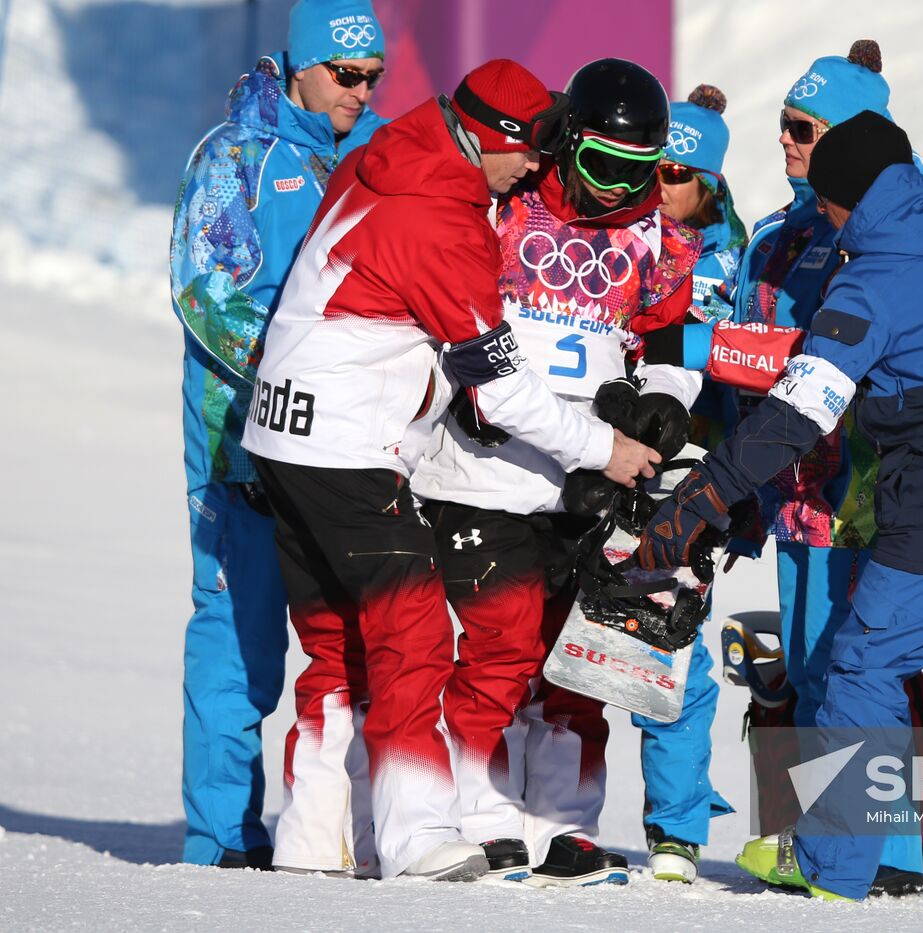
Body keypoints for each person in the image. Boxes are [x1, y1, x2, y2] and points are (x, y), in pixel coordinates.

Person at [636, 110, 923, 912]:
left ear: (847, 202)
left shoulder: (870, 282)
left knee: (861, 671)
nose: (827, 222)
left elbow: (795, 417)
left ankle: (831, 866)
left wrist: (701, 497)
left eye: (830, 207)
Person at [241, 58, 656, 882]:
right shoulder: (444, 223)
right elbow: (500, 390)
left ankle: (316, 840)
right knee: (413, 632)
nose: (538, 168)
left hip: (279, 431)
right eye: (530, 150)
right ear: (488, 138)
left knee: (337, 645)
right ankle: (417, 836)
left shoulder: (388, 151)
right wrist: (605, 449)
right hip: (347, 445)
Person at [409, 58, 702, 887]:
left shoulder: (654, 237)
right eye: (603, 167)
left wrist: (662, 402)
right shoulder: (503, 205)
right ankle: (477, 810)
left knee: (577, 659)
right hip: (486, 473)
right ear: (567, 145)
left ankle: (565, 817)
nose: (617, 190)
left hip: (592, 482)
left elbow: (672, 340)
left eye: (637, 173)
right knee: (501, 649)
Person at [168, 0, 387, 870]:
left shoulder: (370, 156)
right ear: (300, 63)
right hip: (240, 443)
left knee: (349, 645)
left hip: (343, 442)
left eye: (373, 77)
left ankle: (335, 828)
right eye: (346, 75)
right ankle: (222, 834)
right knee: (241, 634)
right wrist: (293, 374)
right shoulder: (233, 155)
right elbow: (204, 294)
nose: (360, 92)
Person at [626, 83, 747, 884]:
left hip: (682, 479)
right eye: (650, 168)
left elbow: (757, 362)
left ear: (706, 185)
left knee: (667, 652)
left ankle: (675, 831)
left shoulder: (736, 260)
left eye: (674, 173)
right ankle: (529, 812)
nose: (656, 184)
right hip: (585, 457)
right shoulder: (610, 229)